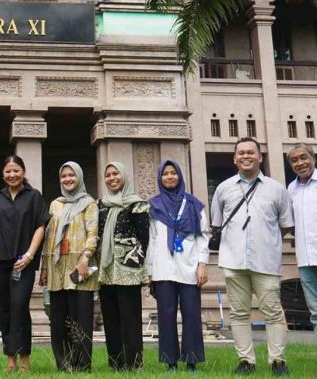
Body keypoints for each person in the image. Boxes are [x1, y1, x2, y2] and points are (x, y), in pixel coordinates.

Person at [211, 137, 293, 376]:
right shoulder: (223, 188)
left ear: (260, 157)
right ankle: (246, 361)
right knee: (238, 312)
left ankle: (278, 360)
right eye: (241, 153)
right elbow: (218, 223)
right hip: (234, 260)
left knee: (273, 311)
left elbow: (285, 224)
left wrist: (265, 238)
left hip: (265, 261)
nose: (246, 156)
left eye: (250, 152)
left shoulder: (276, 189)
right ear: (234, 159)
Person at [0, 156, 49, 373]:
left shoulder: (34, 197)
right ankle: (10, 358)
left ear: (23, 171)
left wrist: (30, 255)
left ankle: (25, 357)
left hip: (24, 262)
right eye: (8, 171)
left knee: (20, 307)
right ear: (3, 174)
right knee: (5, 310)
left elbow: (41, 226)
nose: (12, 175)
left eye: (16, 170)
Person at [147, 160, 209, 372]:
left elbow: (203, 237)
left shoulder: (194, 204)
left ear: (180, 176)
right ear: (160, 178)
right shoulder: (154, 206)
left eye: (174, 173)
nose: (170, 177)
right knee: (166, 315)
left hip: (190, 268)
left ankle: (192, 360)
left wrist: (202, 265)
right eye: (165, 174)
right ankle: (170, 361)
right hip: (163, 269)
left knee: (191, 314)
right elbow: (152, 240)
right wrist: (150, 271)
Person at [40, 161, 98, 372]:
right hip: (56, 265)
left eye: (71, 175)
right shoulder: (56, 204)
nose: (67, 179)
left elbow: (93, 234)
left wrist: (85, 259)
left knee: (81, 317)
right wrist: (44, 268)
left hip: (78, 266)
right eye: (64, 176)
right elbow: (49, 237)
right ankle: (63, 364)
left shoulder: (89, 203)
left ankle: (82, 365)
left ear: (79, 177)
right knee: (58, 319)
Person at [97, 161, 149, 371]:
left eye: (115, 174)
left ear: (124, 176)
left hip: (128, 269)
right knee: (110, 317)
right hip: (107, 268)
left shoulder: (137, 204)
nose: (111, 178)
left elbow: (145, 238)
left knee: (130, 317)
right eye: (108, 175)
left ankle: (134, 363)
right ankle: (116, 363)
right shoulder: (102, 205)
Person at [287, 143, 317, 334]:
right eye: (294, 160)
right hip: (305, 259)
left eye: (303, 157)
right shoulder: (291, 189)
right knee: (315, 310)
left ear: (313, 158)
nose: (300, 163)